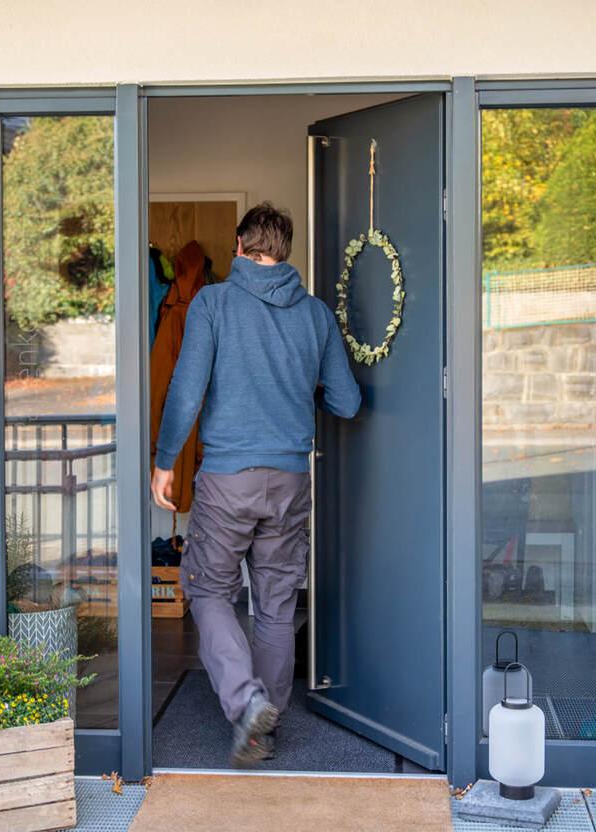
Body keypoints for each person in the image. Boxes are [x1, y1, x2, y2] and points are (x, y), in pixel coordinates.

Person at [151, 202, 361, 767]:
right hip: (290, 480)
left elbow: (186, 389)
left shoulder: (213, 303)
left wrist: (165, 460)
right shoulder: (315, 315)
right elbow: (346, 400)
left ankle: (246, 704)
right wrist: (299, 388)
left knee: (207, 590)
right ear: (284, 252)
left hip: (227, 480)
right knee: (274, 607)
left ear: (240, 246)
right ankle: (263, 728)